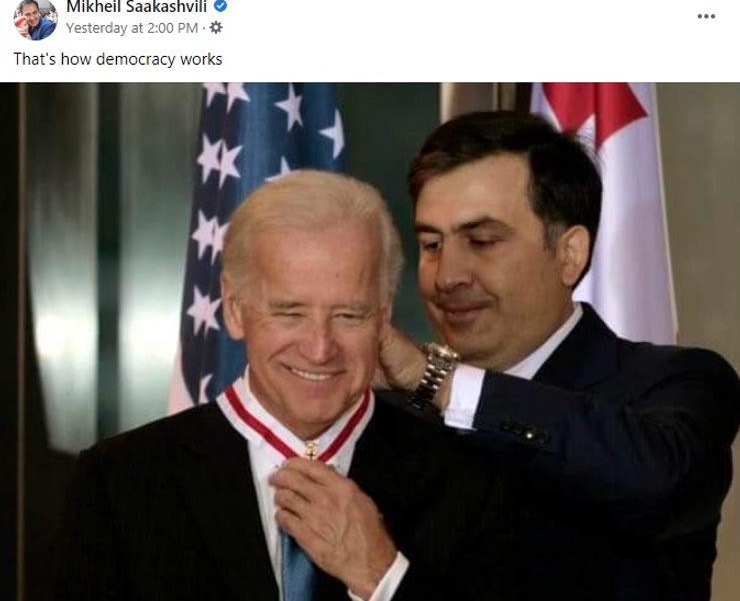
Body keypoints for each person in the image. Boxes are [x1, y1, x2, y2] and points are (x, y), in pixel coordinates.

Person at [51, 171, 513, 600]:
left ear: (383, 316)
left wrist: (383, 577)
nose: (319, 348)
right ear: (235, 309)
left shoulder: (467, 480)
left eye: (348, 315)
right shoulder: (120, 483)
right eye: (290, 313)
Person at [376, 111, 740, 601]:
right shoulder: (395, 413)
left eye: (482, 242)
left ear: (569, 254)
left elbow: (658, 485)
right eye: (431, 244)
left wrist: (439, 381)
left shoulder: (675, 383)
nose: (447, 276)